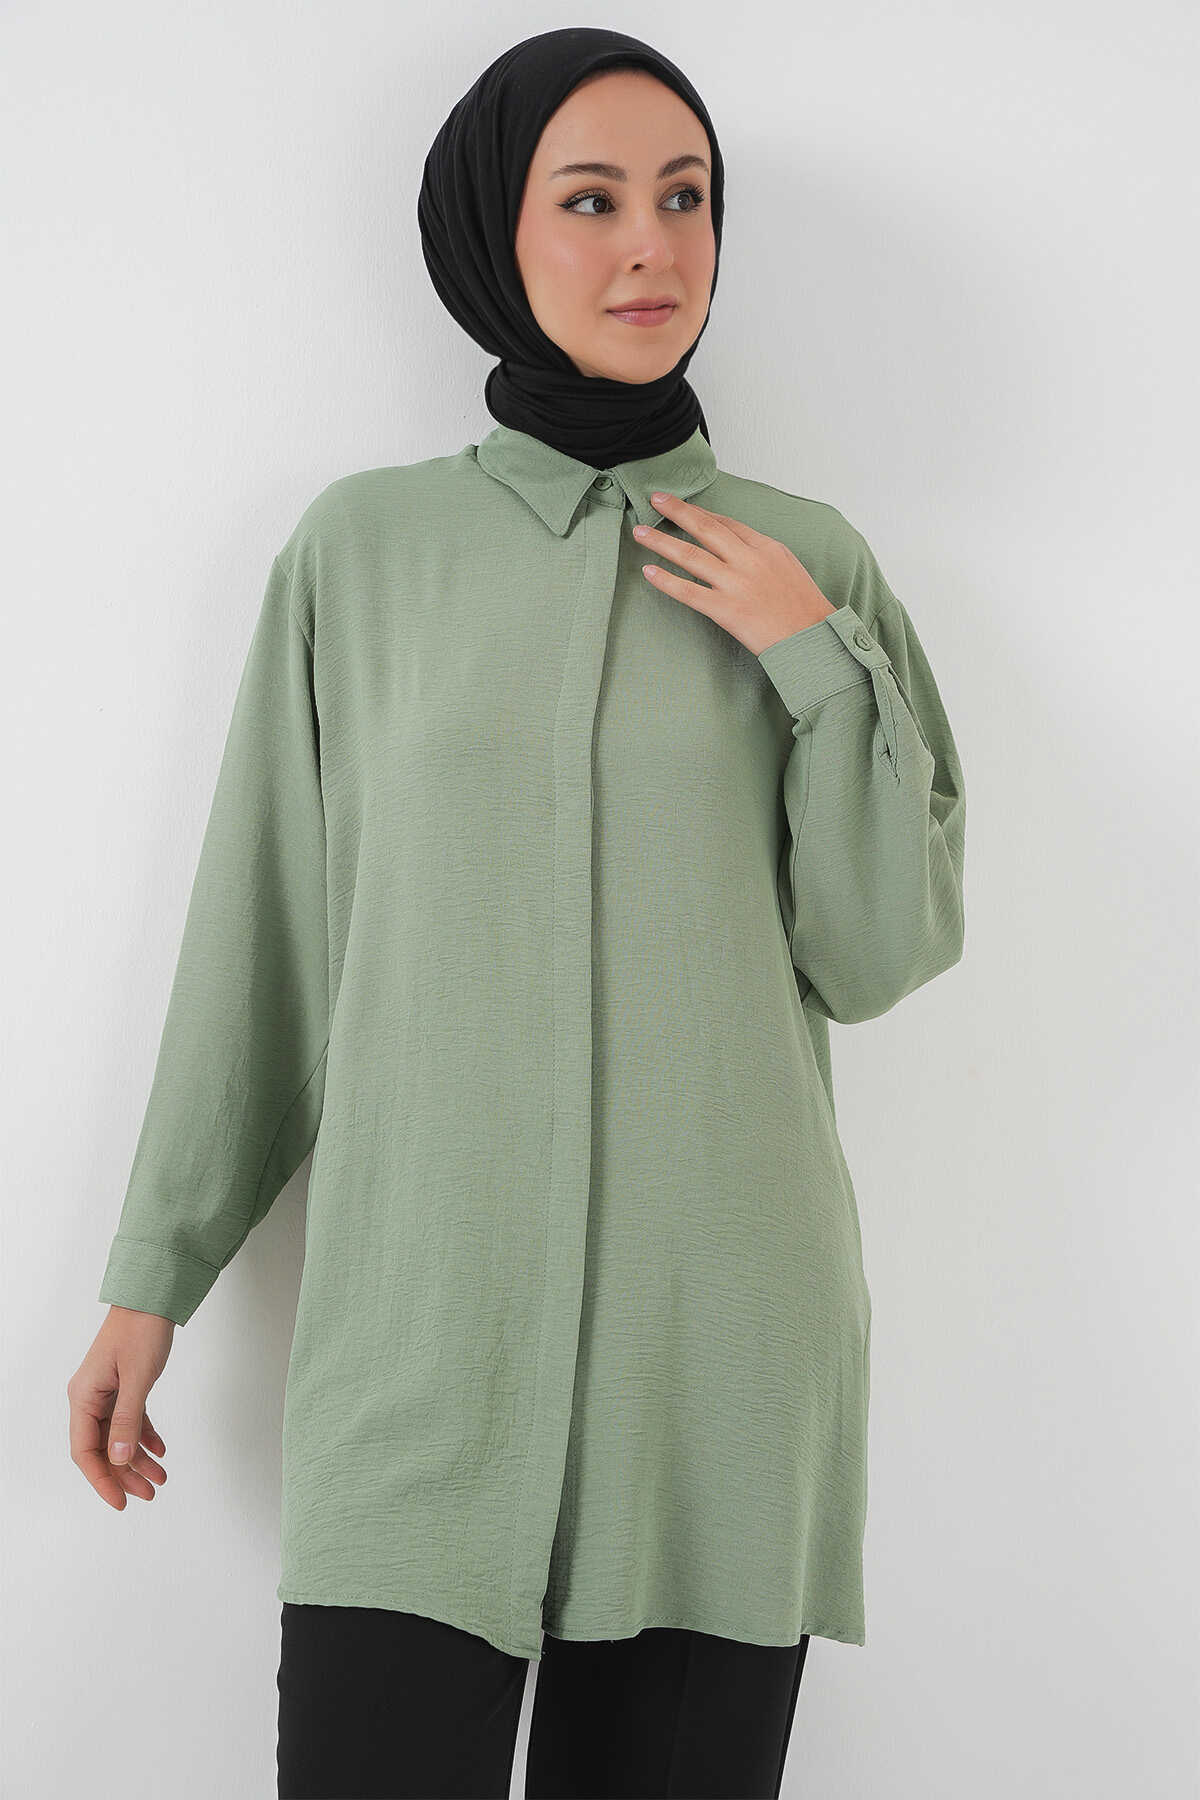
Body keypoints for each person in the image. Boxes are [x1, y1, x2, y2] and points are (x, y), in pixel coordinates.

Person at [67, 26, 967, 1800]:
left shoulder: (811, 562)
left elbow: (880, 952)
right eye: (593, 201)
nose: (654, 248)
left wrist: (811, 657)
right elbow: (266, 944)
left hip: (716, 1372)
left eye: (687, 199)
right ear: (495, 232)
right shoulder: (360, 555)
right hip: (421, 1349)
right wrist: (151, 1279)